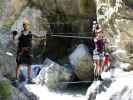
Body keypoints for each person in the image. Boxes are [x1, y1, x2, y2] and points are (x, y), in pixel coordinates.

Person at [14, 18, 33, 83]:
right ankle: (16, 79)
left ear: (28, 25)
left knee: (29, 65)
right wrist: (14, 35)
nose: (26, 26)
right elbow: (15, 38)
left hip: (28, 51)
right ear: (23, 26)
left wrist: (44, 36)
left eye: (27, 25)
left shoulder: (31, 33)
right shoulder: (20, 33)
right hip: (21, 51)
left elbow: (38, 36)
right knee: (18, 65)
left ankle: (29, 79)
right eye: (25, 25)